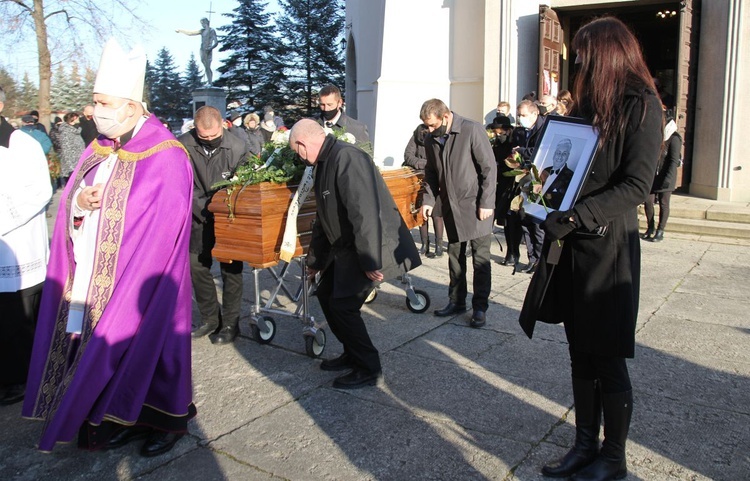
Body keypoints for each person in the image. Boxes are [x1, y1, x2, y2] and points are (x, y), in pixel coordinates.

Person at [22, 38, 196, 456]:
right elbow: (72, 201)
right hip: (93, 276)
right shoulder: (100, 147)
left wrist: (129, 271)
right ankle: (119, 418)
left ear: (133, 108)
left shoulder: (166, 155)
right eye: (95, 102)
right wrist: (80, 201)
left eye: (104, 103)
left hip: (143, 281)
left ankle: (167, 425)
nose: (96, 111)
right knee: (101, 349)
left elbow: (166, 227)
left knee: (152, 352)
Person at [519, 17, 663, 481]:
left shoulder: (641, 105)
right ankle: (584, 446)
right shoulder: (586, 104)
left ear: (608, 53)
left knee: (606, 355)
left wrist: (579, 215)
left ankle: (614, 458)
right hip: (570, 246)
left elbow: (638, 185)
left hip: (606, 249)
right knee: (579, 350)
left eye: (583, 53)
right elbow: (568, 162)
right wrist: (535, 181)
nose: (576, 61)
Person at [290, 119, 420, 389]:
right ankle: (352, 353)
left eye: (296, 151)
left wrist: (370, 261)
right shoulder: (325, 163)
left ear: (302, 145)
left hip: (368, 245)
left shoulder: (347, 158)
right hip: (347, 246)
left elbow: (365, 214)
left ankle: (368, 367)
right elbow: (323, 219)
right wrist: (315, 262)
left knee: (343, 306)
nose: (298, 157)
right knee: (326, 296)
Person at [419, 99, 496, 328]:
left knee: (480, 258)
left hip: (476, 206)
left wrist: (487, 203)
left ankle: (480, 307)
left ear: (445, 117)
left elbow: (489, 169)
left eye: (432, 125)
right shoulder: (431, 138)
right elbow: (431, 172)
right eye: (426, 126)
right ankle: (457, 301)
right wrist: (429, 200)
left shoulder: (471, 129)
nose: (429, 130)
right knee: (455, 256)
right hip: (451, 206)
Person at [0, 86, 52, 406]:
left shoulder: (22, 144)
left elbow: (40, 191)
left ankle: (19, 377)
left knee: (16, 317)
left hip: (17, 247)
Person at [178, 106, 248, 345]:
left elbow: (246, 181)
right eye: (203, 137)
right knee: (196, 266)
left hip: (228, 217)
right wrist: (203, 206)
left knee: (231, 270)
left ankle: (230, 323)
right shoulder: (183, 146)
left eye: (213, 136)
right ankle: (210, 317)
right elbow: (180, 181)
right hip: (198, 216)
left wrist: (223, 204)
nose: (208, 140)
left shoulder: (237, 147)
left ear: (223, 125)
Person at [512, 100, 545, 274]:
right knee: (525, 220)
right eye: (519, 115)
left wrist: (522, 151)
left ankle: (540, 260)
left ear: (535, 114)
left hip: (539, 181)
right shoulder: (521, 131)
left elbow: (540, 151)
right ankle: (532, 259)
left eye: (524, 115)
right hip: (524, 180)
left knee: (537, 224)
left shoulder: (544, 128)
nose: (521, 119)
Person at [403, 123, 444, 257]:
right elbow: (408, 156)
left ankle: (439, 245)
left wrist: (429, 166)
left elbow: (440, 160)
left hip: (435, 179)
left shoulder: (437, 138)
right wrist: (426, 164)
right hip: (418, 178)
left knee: (437, 214)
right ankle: (424, 244)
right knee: (422, 213)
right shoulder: (416, 136)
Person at [643, 114, 681, 242]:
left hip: (666, 176)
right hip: (653, 175)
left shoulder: (674, 138)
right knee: (648, 201)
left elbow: (673, 160)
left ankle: (660, 230)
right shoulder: (657, 137)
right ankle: (650, 227)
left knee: (664, 203)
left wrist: (668, 179)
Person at [488, 115, 519, 267]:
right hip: (496, 185)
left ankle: (512, 252)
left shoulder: (514, 144)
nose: (497, 135)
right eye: (495, 132)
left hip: (510, 186)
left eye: (500, 132)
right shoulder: (494, 145)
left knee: (510, 222)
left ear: (507, 131)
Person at [176, 18, 219, 85]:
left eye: (203, 23)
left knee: (208, 66)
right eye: (201, 23)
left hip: (208, 50)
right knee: (205, 66)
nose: (202, 25)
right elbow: (190, 33)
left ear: (207, 22)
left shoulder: (211, 30)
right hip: (202, 50)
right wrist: (181, 30)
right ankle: (209, 81)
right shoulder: (202, 31)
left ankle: (210, 82)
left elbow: (216, 42)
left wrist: (210, 48)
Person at [540, 138, 575, 211]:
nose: (560, 156)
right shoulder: (545, 170)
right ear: (554, 154)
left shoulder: (571, 176)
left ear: (568, 156)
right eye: (558, 153)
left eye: (564, 154)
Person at [56, 111, 86, 187]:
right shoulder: (66, 132)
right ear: (72, 119)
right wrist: (70, 167)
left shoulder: (77, 130)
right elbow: (66, 149)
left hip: (79, 161)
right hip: (71, 164)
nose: (79, 120)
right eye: (77, 118)